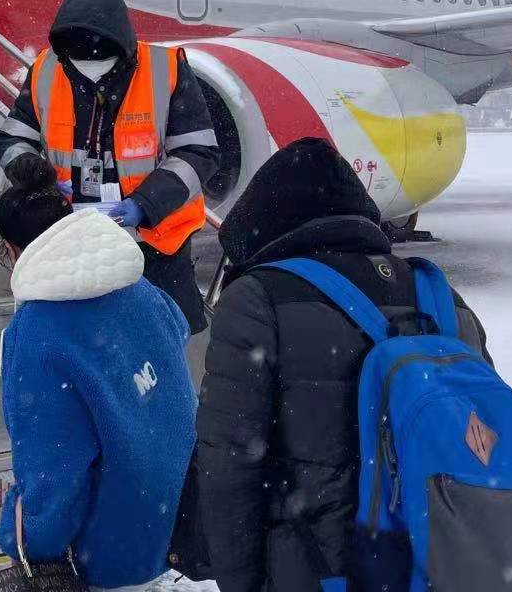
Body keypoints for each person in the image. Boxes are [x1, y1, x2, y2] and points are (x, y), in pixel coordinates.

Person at [193, 137, 492, 592]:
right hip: (442, 562)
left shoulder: (258, 300)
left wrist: (241, 581)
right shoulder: (440, 297)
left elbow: (228, 468)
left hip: (319, 571)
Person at [0, 171, 195, 591]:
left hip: (109, 551)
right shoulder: (141, 289)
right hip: (176, 517)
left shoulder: (38, 330)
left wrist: (25, 542)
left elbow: (52, 465)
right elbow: (177, 338)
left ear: (12, 251)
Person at [0, 0, 218, 332]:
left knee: (159, 340)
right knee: (82, 342)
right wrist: (34, 173)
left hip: (154, 242)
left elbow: (198, 152)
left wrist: (147, 203)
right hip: (71, 236)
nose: (89, 71)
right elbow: (13, 138)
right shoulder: (47, 69)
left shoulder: (166, 70)